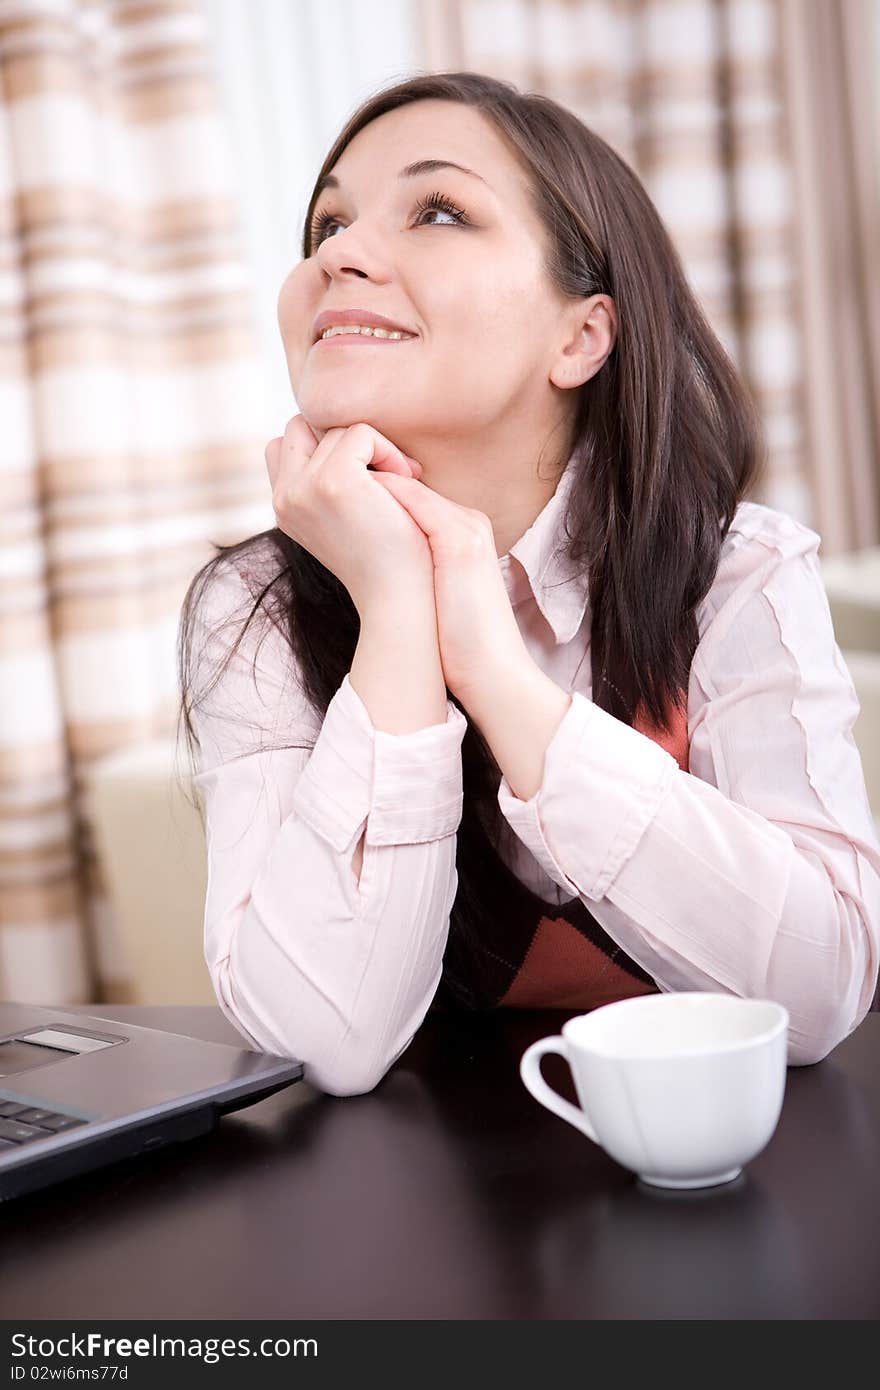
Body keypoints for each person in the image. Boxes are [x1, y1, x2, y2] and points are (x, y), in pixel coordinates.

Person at [177, 71, 880, 1097]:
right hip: (414, 1219)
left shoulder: (739, 573)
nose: (338, 253)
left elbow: (821, 994)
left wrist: (502, 683)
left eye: (439, 210)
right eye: (326, 221)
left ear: (580, 336)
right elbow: (327, 1039)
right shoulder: (256, 609)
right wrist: (397, 617)